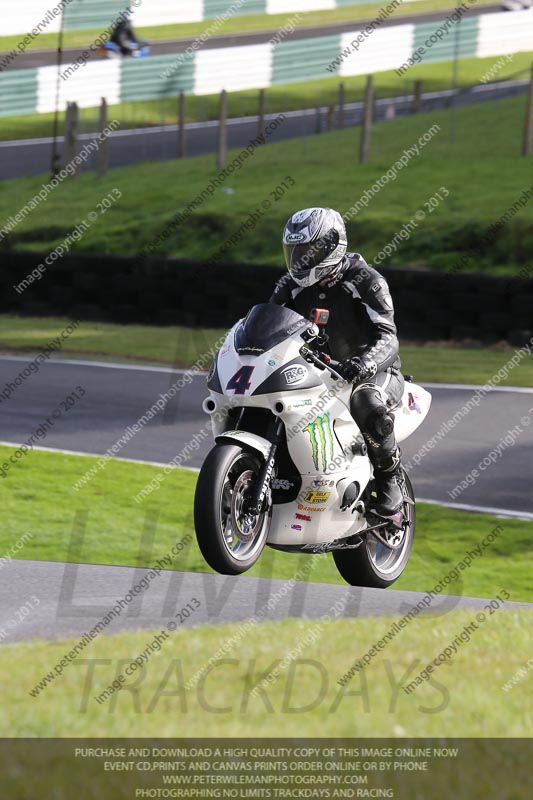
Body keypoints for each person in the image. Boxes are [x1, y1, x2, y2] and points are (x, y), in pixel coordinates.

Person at [270, 207, 405, 519]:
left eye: (306, 251)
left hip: (374, 372)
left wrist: (364, 364)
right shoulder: (290, 285)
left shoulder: (366, 280)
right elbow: (268, 323)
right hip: (319, 372)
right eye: (294, 251)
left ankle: (390, 480)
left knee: (367, 401)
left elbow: (389, 337)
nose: (299, 259)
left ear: (331, 246)